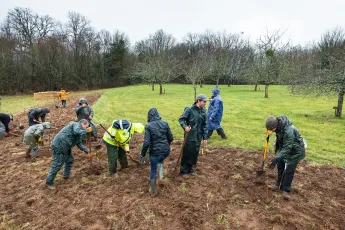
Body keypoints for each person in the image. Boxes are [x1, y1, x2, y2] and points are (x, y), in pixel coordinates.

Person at [266, 115, 306, 200]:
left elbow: (287, 148)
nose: (271, 131)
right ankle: (278, 184)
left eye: (271, 129)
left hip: (295, 152)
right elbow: (281, 143)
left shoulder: (289, 130)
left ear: (275, 126)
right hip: (286, 148)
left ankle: (286, 190)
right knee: (280, 165)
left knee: (289, 170)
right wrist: (277, 155)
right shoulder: (279, 128)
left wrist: (276, 158)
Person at [45, 119, 92, 189]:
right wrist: (87, 131)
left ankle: (66, 175)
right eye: (86, 127)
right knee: (57, 163)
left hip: (66, 147)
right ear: (82, 124)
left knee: (69, 160)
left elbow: (79, 143)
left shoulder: (79, 134)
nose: (86, 128)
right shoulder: (75, 125)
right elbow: (77, 131)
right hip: (59, 145)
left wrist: (87, 150)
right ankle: (49, 182)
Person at [140, 108, 173, 195]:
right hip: (166, 152)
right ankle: (161, 178)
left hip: (155, 153)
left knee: (153, 170)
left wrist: (142, 154)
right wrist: (166, 146)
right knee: (160, 160)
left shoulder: (148, 126)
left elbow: (146, 142)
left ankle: (153, 191)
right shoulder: (165, 123)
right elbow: (171, 138)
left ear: (149, 116)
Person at [178, 94, 208, 175]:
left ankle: (191, 169)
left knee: (194, 153)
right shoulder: (189, 109)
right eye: (204, 101)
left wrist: (205, 137)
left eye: (205, 102)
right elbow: (181, 119)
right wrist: (185, 127)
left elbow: (205, 125)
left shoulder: (204, 111)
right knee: (187, 152)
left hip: (198, 137)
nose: (205, 103)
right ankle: (183, 170)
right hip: (189, 136)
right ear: (198, 101)